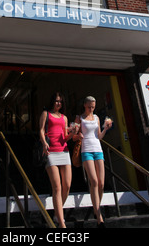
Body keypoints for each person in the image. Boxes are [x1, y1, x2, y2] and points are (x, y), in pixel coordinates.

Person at [73, 96, 112, 228]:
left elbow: (99, 136)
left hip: (98, 150)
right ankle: (99, 217)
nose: (91, 109)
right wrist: (78, 135)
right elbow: (74, 136)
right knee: (94, 181)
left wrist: (106, 128)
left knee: (101, 183)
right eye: (89, 106)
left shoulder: (96, 118)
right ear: (84, 105)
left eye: (93, 107)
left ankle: (96, 208)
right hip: (86, 150)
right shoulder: (80, 118)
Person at [39, 92, 74, 228]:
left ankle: (56, 214)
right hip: (50, 152)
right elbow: (41, 130)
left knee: (67, 185)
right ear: (52, 102)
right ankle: (61, 223)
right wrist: (43, 142)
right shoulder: (45, 114)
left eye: (60, 101)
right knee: (57, 187)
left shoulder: (64, 118)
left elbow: (65, 136)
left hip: (64, 151)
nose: (58, 103)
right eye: (56, 101)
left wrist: (73, 133)